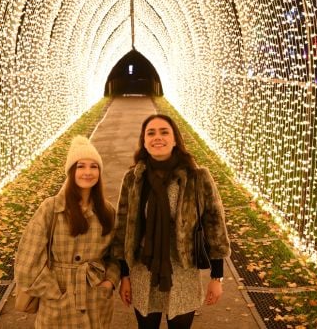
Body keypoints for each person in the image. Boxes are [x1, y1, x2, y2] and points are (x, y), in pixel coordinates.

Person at [112, 114, 230, 329]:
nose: (158, 137)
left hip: (183, 270)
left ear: (175, 139)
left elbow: (215, 225)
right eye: (151, 133)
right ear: (144, 141)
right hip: (143, 269)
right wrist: (124, 275)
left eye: (164, 132)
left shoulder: (197, 176)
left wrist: (217, 276)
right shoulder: (134, 178)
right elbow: (122, 228)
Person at [14, 135, 119, 328]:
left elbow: (115, 255)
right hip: (58, 303)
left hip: (96, 300)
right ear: (71, 171)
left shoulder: (107, 211)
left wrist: (109, 282)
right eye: (80, 166)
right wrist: (54, 292)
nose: (88, 172)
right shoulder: (51, 208)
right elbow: (26, 262)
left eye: (93, 166)